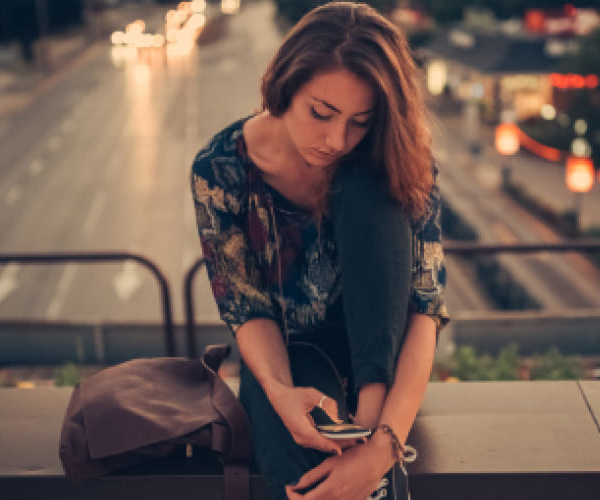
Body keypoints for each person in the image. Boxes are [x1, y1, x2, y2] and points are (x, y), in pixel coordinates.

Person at [191, 2, 449, 499]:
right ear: (286, 85)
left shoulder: (395, 157)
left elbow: (424, 308)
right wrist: (282, 393)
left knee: (369, 184)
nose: (336, 140)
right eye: (321, 113)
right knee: (300, 475)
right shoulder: (220, 170)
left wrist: (382, 444)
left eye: (360, 122)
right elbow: (247, 309)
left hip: (383, 364)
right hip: (285, 357)